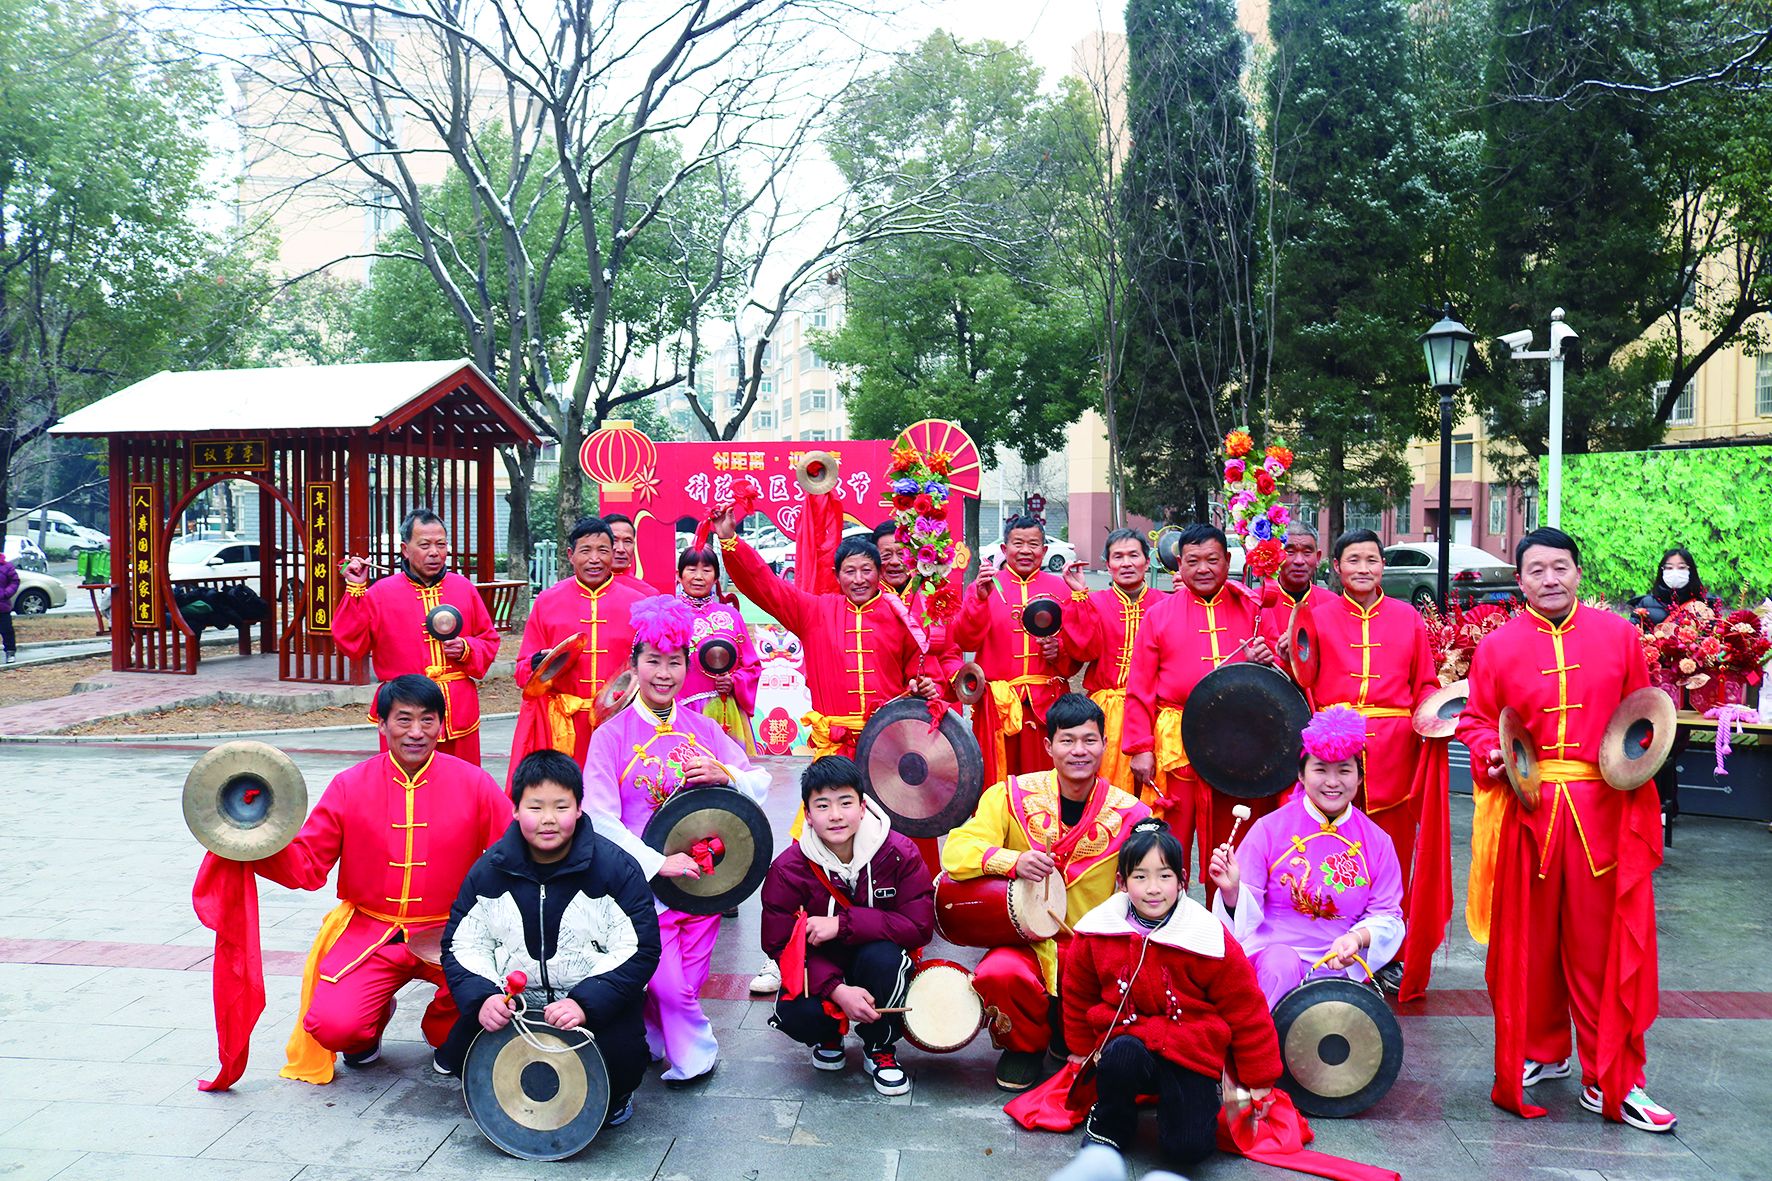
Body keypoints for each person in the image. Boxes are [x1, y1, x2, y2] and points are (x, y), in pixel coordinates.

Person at [1457, 527, 1676, 1133]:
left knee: (1602, 950)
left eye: (1560, 567)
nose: (1550, 579)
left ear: (1578, 572)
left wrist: (1643, 768)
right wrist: (1490, 752)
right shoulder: (1497, 647)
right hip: (1527, 813)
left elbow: (1643, 718)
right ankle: (1542, 1049)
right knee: (1527, 948)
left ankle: (1612, 1077)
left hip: (1603, 814)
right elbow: (1476, 721)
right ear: (1519, 579)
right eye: (1537, 570)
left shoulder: (1619, 636)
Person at [254, 674, 514, 1082]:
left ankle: (442, 1028)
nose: (416, 732)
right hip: (371, 931)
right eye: (404, 719)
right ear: (382, 724)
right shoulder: (349, 785)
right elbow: (307, 863)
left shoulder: (474, 783)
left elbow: (512, 854)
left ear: (441, 725)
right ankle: (373, 1017)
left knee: (470, 1020)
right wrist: (253, 844)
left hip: (453, 932)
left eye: (427, 720)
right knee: (335, 1027)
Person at [580, 595, 771, 1086]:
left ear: (688, 666)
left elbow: (759, 781)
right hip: (644, 887)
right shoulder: (610, 736)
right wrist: (654, 862)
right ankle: (696, 1057)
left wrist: (726, 773)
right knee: (671, 987)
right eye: (653, 662)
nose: (664, 674)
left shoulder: (702, 727)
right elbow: (597, 815)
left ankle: (653, 1037)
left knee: (688, 981)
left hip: (704, 883)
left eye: (674, 663)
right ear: (633, 666)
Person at [436, 750, 661, 1130]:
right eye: (535, 807)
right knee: (463, 1057)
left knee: (621, 1064)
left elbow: (639, 947)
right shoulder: (489, 870)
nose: (548, 819)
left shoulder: (615, 868)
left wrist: (585, 1002)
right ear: (515, 810)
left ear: (579, 808)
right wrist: (484, 997)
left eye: (561, 806)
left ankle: (618, 1094)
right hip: (516, 1005)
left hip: (588, 1004)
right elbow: (463, 945)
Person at [942, 693, 1150, 1092]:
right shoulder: (1010, 795)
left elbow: (1154, 881)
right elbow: (956, 851)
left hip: (1091, 948)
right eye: (1067, 740)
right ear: (1048, 745)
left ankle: (1063, 1032)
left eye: (1089, 740)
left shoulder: (1132, 814)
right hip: (1027, 944)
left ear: (1105, 745)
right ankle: (1023, 1047)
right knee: (998, 973)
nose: (1079, 751)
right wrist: (1011, 861)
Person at [1279, 529, 1447, 999]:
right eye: (1353, 560)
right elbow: (1302, 679)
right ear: (1336, 566)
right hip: (1334, 753)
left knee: (1392, 857)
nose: (1363, 569)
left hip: (1396, 751)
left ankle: (1390, 957)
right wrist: (1285, 657)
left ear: (1382, 566)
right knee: (1328, 856)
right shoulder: (1315, 616)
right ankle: (1327, 949)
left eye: (1372, 559)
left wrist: (1440, 714)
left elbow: (1425, 682)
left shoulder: (1408, 618)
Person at [1063, 819, 1281, 1171]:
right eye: (1140, 876)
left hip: (1189, 1048)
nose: (1153, 888)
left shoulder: (1208, 936)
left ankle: (1183, 1107)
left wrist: (1259, 1079)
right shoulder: (1096, 931)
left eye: (1164, 876)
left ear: (1182, 880)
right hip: (1126, 1041)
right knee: (1120, 1056)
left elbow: (1245, 1008)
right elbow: (1078, 994)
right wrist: (1078, 1051)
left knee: (1187, 1149)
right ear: (1121, 882)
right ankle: (1111, 1122)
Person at [759, 755, 935, 1096]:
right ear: (808, 814)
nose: (836, 815)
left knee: (885, 959)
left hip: (877, 960)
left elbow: (918, 926)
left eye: (845, 802)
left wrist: (842, 925)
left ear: (863, 806)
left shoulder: (899, 853)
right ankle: (828, 1035)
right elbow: (778, 944)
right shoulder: (787, 869)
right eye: (822, 805)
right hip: (822, 967)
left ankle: (879, 1046)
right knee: (798, 1011)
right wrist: (837, 990)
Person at [1208, 705, 1405, 1007]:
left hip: (1339, 960)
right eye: (1320, 769)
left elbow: (1387, 914)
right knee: (1281, 964)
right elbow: (1244, 918)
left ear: (1359, 777)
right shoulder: (1269, 829)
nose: (1332, 782)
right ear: (1301, 774)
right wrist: (1232, 891)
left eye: (1344, 770)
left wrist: (1356, 939)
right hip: (1272, 958)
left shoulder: (1377, 842)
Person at [711, 506, 940, 758]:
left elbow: (923, 677)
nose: (859, 579)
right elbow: (766, 585)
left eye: (866, 570)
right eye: (850, 571)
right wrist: (729, 539)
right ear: (837, 576)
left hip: (887, 745)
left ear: (879, 572)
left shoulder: (901, 617)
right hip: (833, 747)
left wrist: (923, 687)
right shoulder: (815, 612)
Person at [1122, 523, 1279, 891]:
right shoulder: (1159, 614)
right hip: (1177, 742)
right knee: (1169, 843)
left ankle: (1228, 919)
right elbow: (1139, 687)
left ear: (1228, 560)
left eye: (1212, 560)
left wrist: (1269, 658)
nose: (1203, 569)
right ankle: (1165, 916)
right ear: (1179, 564)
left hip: (1240, 743)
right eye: (1193, 561)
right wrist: (1141, 747)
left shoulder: (1253, 608)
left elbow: (1281, 672)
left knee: (1233, 843)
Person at [334, 507, 502, 765]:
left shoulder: (463, 587)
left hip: (457, 708)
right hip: (403, 707)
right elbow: (351, 644)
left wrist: (466, 648)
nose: (434, 552)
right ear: (405, 549)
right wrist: (355, 589)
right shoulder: (381, 593)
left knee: (461, 779)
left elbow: (489, 640)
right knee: (405, 779)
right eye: (424, 545)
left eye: (441, 544)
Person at [512, 515, 649, 764]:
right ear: (570, 555)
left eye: (603, 551)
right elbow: (522, 672)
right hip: (561, 729)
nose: (594, 559)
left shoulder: (638, 604)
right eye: (585, 551)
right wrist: (536, 664)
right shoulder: (547, 601)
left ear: (613, 554)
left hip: (620, 723)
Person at [955, 515, 1076, 784]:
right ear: (1004, 548)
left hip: (1046, 703)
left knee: (1044, 780)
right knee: (997, 780)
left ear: (1044, 550)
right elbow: (965, 641)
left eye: (1033, 544)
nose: (1025, 550)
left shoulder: (1061, 589)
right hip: (998, 705)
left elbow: (1077, 650)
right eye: (1017, 543)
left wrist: (1059, 650)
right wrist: (979, 599)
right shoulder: (985, 587)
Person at [1062, 528, 1159, 792]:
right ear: (1108, 565)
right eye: (1118, 557)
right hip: (1106, 712)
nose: (1126, 563)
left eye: (1133, 555)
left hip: (1154, 712)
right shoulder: (1093, 602)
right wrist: (1079, 596)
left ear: (1147, 561)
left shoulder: (1164, 603)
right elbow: (1082, 652)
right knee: (1103, 789)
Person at [676, 543, 761, 751]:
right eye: (691, 569)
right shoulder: (670, 614)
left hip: (727, 714)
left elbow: (752, 667)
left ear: (715, 578)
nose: (698, 576)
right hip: (681, 712)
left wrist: (734, 682)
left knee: (728, 767)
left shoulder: (731, 616)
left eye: (706, 570)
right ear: (678, 575)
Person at [871, 520, 963, 693]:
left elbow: (948, 653)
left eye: (901, 554)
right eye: (886, 556)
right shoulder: (867, 600)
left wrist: (956, 677)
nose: (895, 562)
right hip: (879, 697)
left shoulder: (931, 598)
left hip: (925, 698)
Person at [1626, 545, 1718, 626]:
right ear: (1662, 571)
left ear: (1691, 571)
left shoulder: (1706, 602)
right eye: (1669, 568)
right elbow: (1633, 633)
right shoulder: (1646, 603)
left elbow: (1714, 634)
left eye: (1681, 567)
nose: (1675, 572)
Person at [1259, 522, 1321, 637]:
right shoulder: (1255, 602)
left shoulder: (1331, 603)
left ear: (1318, 558)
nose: (1299, 561)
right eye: (1290, 552)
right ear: (1276, 555)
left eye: (1307, 553)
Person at [604, 512, 652, 594]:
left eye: (627, 541)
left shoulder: (647, 594)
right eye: (614, 541)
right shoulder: (584, 589)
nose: (621, 549)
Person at [0, 549, 17, 664]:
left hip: (2, 605)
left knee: (6, 630)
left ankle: (10, 652)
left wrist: (6, 593)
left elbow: (15, 581)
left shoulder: (7, 567)